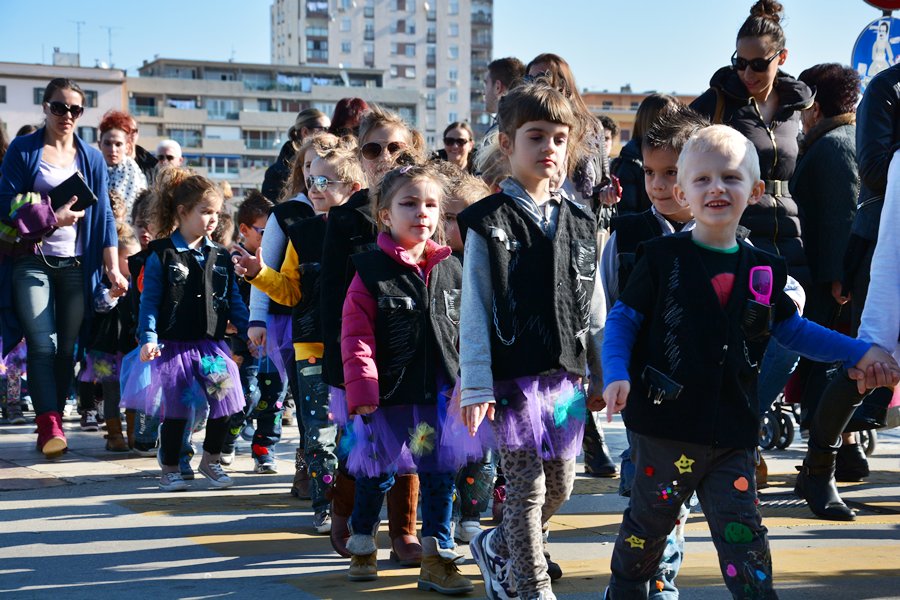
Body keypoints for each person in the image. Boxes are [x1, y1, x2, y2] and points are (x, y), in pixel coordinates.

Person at [599, 125, 899, 599]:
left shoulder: (764, 269)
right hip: (664, 427)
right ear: (682, 192)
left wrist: (860, 350)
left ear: (756, 191)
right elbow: (623, 321)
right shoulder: (658, 258)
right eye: (702, 180)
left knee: (744, 533)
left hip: (732, 433)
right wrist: (615, 373)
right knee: (647, 528)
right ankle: (626, 589)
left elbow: (793, 330)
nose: (717, 188)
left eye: (732, 178)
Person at [459, 81, 601, 600]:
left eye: (560, 138)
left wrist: (604, 371)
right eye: (536, 136)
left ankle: (498, 544)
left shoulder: (583, 221)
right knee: (526, 489)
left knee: (562, 483)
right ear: (506, 143)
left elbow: (595, 304)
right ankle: (528, 584)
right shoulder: (488, 222)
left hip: (564, 378)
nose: (549, 148)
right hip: (513, 377)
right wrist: (475, 384)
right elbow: (473, 309)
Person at [690, 0, 815, 484]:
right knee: (737, 343)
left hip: (793, 241)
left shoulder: (797, 106)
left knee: (789, 336)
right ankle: (736, 437)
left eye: (758, 63)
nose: (746, 72)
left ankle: (735, 429)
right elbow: (678, 147)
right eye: (739, 61)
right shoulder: (717, 100)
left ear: (782, 57)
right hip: (738, 237)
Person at [337, 161, 472, 594]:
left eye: (431, 204)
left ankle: (438, 557)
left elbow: (466, 332)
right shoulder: (371, 272)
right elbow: (356, 336)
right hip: (388, 398)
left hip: (437, 396)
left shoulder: (453, 268)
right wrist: (363, 391)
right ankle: (362, 544)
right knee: (376, 474)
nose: (422, 213)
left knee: (438, 474)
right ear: (386, 215)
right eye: (409, 204)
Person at [234, 145, 364, 532]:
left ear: (354, 187)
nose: (315, 187)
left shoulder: (365, 229)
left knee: (355, 432)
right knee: (317, 432)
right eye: (311, 180)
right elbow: (290, 292)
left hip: (355, 346)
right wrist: (258, 273)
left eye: (325, 181)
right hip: (310, 346)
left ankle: (355, 503)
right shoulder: (301, 232)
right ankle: (325, 505)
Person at [320, 106, 426, 562]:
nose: (385, 156)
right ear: (359, 157)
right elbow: (330, 297)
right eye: (373, 148)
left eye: (396, 146)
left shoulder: (425, 207)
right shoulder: (345, 219)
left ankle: (404, 529)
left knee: (413, 441)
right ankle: (345, 514)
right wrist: (339, 370)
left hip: (412, 352)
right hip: (360, 353)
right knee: (361, 441)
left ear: (413, 151)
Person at [0, 77, 127, 458]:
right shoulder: (24, 150)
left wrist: (112, 269)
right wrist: (52, 217)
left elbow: (103, 216)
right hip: (30, 261)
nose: (66, 115)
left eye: (74, 109)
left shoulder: (89, 157)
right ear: (45, 106)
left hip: (76, 264)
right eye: (59, 107)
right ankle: (49, 423)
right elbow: (5, 201)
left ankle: (52, 416)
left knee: (67, 348)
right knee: (42, 342)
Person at [120, 168, 249, 491]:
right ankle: (171, 467)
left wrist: (251, 330)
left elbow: (233, 299)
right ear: (182, 211)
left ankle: (211, 459)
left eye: (217, 213)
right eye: (205, 212)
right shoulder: (161, 254)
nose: (213, 220)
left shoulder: (220, 255)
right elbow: (149, 302)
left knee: (227, 398)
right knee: (176, 411)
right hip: (172, 346)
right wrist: (148, 337)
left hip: (209, 346)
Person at [789, 63, 867, 480]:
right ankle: (846, 453)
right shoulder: (850, 137)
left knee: (826, 364)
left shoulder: (834, 145)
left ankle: (827, 459)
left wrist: (840, 278)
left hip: (829, 282)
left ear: (816, 104)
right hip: (834, 277)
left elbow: (842, 217)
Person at [253, 132, 342, 485]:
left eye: (323, 171)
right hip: (287, 319)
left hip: (332, 322)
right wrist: (256, 318)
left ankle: (336, 472)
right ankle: (308, 462)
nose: (314, 177)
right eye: (308, 167)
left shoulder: (350, 216)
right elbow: (266, 267)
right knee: (308, 401)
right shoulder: (286, 214)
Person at [219, 191, 273, 469]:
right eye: (264, 231)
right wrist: (240, 335)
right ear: (244, 230)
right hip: (244, 343)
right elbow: (230, 302)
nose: (271, 237)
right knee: (247, 395)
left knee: (273, 399)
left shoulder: (276, 258)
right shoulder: (232, 261)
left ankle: (264, 451)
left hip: (273, 342)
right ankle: (228, 437)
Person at [79, 224, 142, 451]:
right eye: (129, 258)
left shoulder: (140, 283)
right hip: (107, 350)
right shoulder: (105, 282)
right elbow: (99, 306)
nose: (135, 262)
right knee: (111, 392)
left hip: (130, 348)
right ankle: (115, 435)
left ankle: (135, 434)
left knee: (135, 391)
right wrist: (112, 294)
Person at [610, 94, 681, 216]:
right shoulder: (630, 162)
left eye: (670, 172)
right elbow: (626, 214)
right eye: (649, 172)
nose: (678, 125)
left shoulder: (681, 155)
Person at [262, 108, 330, 201]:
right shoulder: (276, 172)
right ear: (305, 132)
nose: (329, 134)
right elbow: (271, 210)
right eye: (324, 129)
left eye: (331, 129)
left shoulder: (330, 163)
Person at [99, 110, 148, 219]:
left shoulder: (131, 170)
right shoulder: (93, 166)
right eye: (107, 143)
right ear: (99, 144)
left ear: (127, 147)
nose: (113, 149)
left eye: (118, 144)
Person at [483, 57, 527, 144]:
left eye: (486, 83)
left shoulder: (497, 133)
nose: (483, 92)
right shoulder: (525, 125)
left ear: (497, 87)